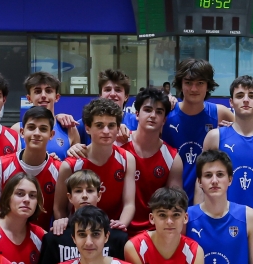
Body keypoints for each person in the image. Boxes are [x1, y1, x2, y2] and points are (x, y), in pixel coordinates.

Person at [30, 170, 130, 264]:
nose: (84, 195)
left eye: (90, 190)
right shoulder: (55, 238)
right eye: (78, 191)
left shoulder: (117, 237)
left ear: (99, 194)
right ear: (69, 197)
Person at [200, 75, 253, 215]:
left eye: (251, 95)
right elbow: (200, 181)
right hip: (221, 220)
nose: (245, 100)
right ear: (231, 102)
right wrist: (199, 215)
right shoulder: (215, 137)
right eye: (240, 95)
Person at [54, 99, 136, 228]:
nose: (106, 131)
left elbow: (129, 204)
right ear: (87, 128)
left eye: (111, 125)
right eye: (99, 125)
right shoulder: (70, 165)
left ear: (118, 128)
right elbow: (59, 208)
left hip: (113, 231)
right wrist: (69, 232)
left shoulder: (127, 159)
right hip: (79, 232)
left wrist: (121, 225)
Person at [162, 59, 234, 200]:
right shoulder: (166, 113)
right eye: (188, 83)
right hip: (171, 201)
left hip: (210, 201)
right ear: (180, 85)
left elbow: (250, 133)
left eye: (200, 83)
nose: (193, 89)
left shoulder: (221, 113)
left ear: (208, 85)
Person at [0, 106, 62, 230]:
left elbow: (61, 214)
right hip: (5, 239)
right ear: (22, 132)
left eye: (43, 129)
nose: (36, 133)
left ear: (51, 134)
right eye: (31, 128)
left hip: (43, 241)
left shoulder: (59, 170)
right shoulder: (0, 165)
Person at [121, 87, 182, 235]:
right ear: (136, 114)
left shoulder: (173, 158)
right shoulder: (118, 144)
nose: (153, 115)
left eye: (159, 112)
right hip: (117, 230)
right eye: (147, 110)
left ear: (164, 120)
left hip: (153, 234)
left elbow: (174, 205)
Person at [12, 72, 81, 158]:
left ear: (57, 97)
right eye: (38, 91)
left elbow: (76, 166)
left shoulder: (69, 129)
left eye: (48, 91)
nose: (43, 95)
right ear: (29, 98)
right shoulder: (16, 129)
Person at [66, 69, 139, 146]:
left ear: (126, 96)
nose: (113, 94)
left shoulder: (136, 122)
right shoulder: (84, 123)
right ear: (100, 95)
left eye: (118, 90)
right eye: (107, 90)